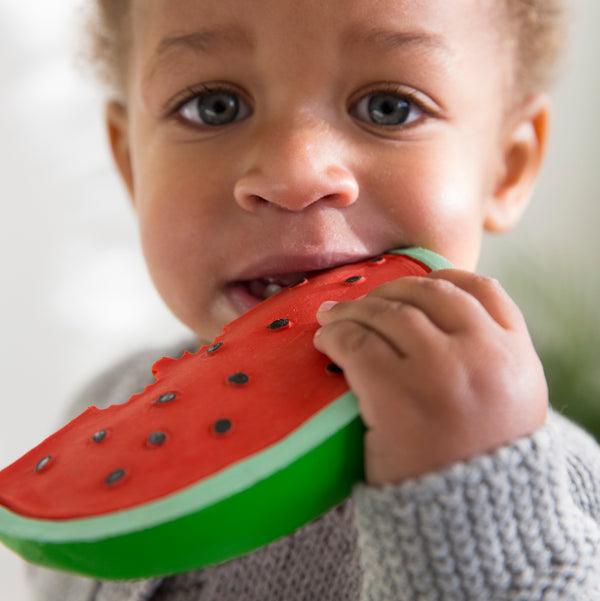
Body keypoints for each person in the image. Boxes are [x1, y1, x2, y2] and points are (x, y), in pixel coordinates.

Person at [29, 0, 600, 599]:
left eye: (390, 108)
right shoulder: (103, 409)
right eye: (214, 107)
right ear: (131, 165)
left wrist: (470, 507)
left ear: (506, 169)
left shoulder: (554, 486)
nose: (295, 175)